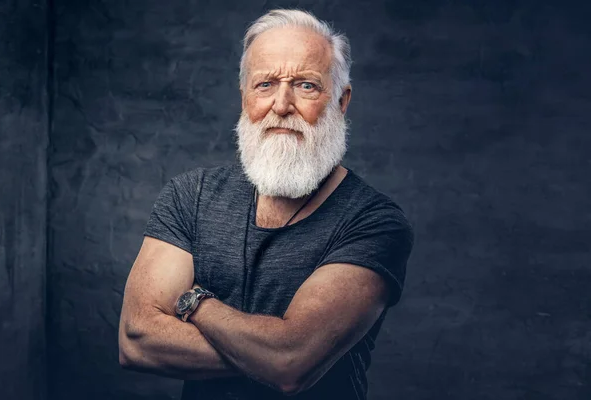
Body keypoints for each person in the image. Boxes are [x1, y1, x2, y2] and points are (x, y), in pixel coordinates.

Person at [118, 9, 414, 400]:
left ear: (340, 101)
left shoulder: (374, 223)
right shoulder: (191, 195)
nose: (281, 104)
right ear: (245, 96)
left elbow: (291, 362)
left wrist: (196, 303)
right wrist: (269, 354)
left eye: (306, 86)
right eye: (265, 84)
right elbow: (137, 339)